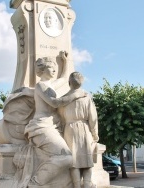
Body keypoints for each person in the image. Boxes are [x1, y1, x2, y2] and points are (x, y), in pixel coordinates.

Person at [14, 51, 86, 187]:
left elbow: (64, 78)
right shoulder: (41, 85)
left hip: (51, 126)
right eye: (50, 66)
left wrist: (65, 61)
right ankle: (35, 182)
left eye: (55, 67)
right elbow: (55, 102)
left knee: (67, 157)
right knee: (67, 158)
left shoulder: (50, 85)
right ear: (41, 70)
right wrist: (76, 95)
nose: (54, 69)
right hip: (42, 127)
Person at [61, 72, 99, 188]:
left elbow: (60, 117)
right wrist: (95, 134)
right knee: (87, 162)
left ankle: (77, 186)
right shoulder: (86, 97)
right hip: (84, 128)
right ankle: (87, 185)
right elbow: (93, 118)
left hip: (69, 130)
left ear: (69, 82)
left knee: (74, 162)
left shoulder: (64, 98)